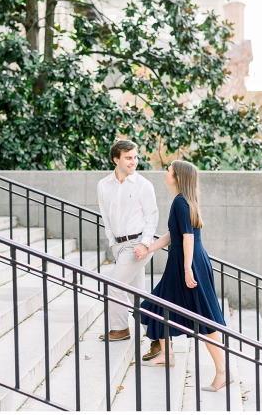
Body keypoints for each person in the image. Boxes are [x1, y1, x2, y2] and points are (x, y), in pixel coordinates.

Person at [137, 160, 232, 392]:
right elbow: (173, 235)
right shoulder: (182, 201)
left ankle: (223, 371)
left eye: (168, 170)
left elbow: (188, 237)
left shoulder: (181, 202)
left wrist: (188, 268)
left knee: (202, 317)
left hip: (187, 263)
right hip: (182, 262)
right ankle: (166, 354)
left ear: (178, 176)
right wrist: (147, 247)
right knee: (155, 305)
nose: (165, 173)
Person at [97, 139, 162, 361]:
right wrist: (112, 242)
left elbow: (151, 216)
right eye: (128, 158)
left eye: (135, 157)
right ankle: (157, 338)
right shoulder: (103, 185)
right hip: (119, 244)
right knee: (138, 295)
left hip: (138, 245)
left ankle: (120, 328)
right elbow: (105, 217)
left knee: (113, 285)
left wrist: (145, 244)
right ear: (116, 159)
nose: (133, 161)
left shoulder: (143, 185)